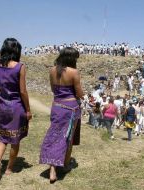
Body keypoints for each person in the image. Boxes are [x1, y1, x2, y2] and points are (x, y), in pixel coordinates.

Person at [40, 47, 83, 183]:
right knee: (67, 137)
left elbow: (54, 90)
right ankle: (64, 165)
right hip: (71, 109)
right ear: (71, 59)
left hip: (57, 106)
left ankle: (52, 169)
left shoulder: (52, 70)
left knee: (54, 135)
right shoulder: (74, 72)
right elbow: (79, 93)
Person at [0, 38, 32, 180]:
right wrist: (28, 109)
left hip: (2, 108)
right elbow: (23, 91)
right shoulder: (19, 66)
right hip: (16, 108)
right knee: (15, 140)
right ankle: (8, 168)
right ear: (17, 51)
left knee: (2, 138)